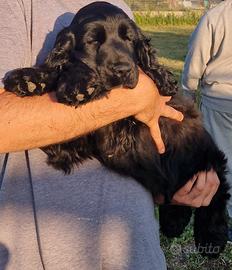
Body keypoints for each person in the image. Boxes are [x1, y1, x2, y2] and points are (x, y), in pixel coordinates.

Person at [0, 1, 220, 269]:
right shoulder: (16, 6)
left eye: (127, 39)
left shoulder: (120, 7)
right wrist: (132, 97)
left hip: (135, 251)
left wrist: (170, 187)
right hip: (49, 254)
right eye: (95, 41)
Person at [182, 0, 232, 242]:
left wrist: (187, 94)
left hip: (220, 101)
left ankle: (225, 221)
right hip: (221, 100)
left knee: (224, 162)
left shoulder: (217, 16)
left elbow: (195, 60)